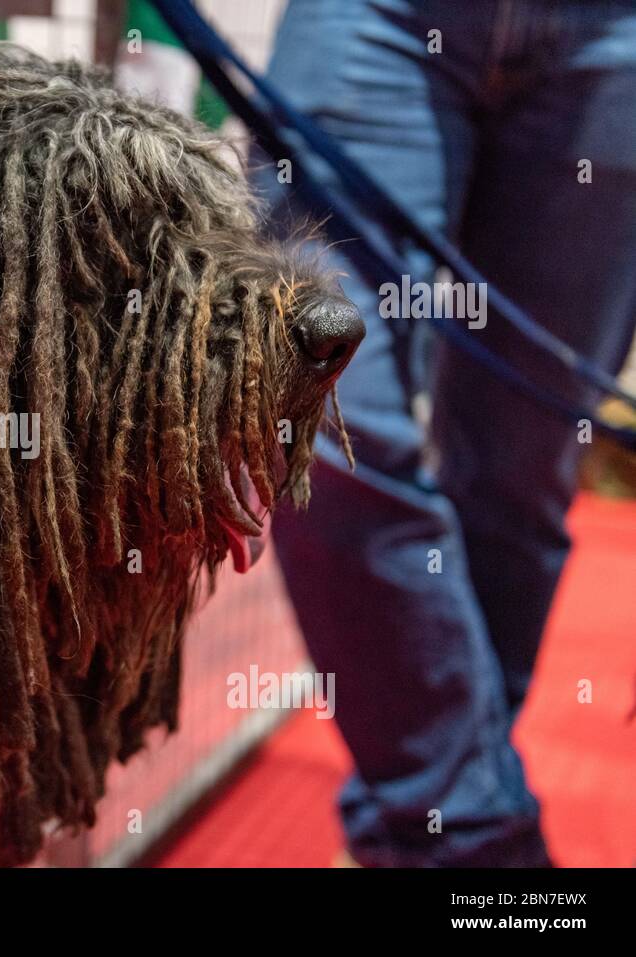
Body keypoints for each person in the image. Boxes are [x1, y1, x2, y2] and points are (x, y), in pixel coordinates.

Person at [253, 0, 636, 866]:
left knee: (523, 471)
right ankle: (477, 850)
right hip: (371, 21)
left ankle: (425, 823)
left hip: (613, 38)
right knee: (310, 414)